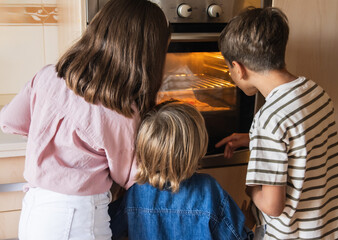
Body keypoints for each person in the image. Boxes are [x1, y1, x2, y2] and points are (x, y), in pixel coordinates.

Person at [0, 0, 170, 239]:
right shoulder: (120, 109)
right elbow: (129, 176)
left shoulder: (47, 76)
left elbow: (8, 120)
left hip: (33, 211)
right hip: (76, 219)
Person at [215, 7, 338, 239]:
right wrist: (253, 139)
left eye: (228, 68)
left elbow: (272, 206)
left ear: (238, 69)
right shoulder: (315, 92)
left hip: (292, 234)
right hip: (327, 227)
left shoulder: (269, 119)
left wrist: (252, 188)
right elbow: (302, 140)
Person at [108, 100, 254, 240]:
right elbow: (235, 235)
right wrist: (247, 221)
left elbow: (109, 228)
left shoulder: (136, 191)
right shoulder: (208, 190)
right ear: (196, 148)